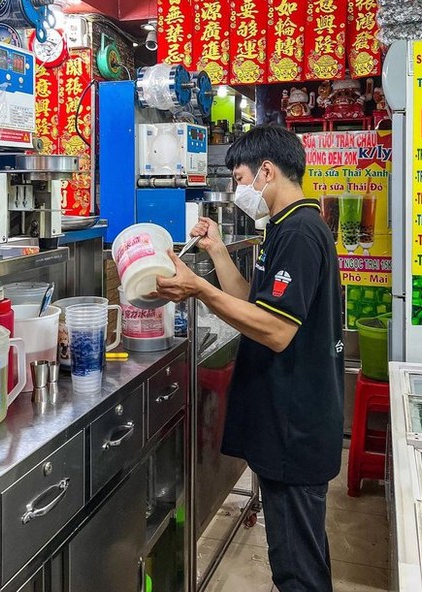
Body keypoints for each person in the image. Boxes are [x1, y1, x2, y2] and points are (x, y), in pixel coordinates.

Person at [156, 124, 344, 592]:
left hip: (295, 423)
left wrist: (197, 288)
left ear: (266, 171)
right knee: (294, 550)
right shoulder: (283, 226)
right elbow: (257, 304)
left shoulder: (301, 232)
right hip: (286, 417)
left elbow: (277, 332)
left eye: (240, 179)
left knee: (296, 564)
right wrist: (217, 251)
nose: (239, 190)